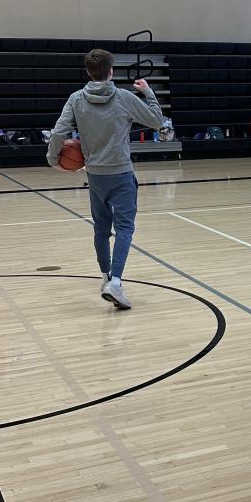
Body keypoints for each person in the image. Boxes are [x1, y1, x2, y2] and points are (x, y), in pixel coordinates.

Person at [48, 47, 164, 310]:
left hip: (95, 176)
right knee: (125, 229)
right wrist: (148, 92)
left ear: (89, 71)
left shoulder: (76, 99)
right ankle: (116, 282)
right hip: (121, 173)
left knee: (101, 228)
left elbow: (58, 132)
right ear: (111, 71)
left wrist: (53, 159)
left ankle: (105, 277)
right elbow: (157, 121)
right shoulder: (123, 97)